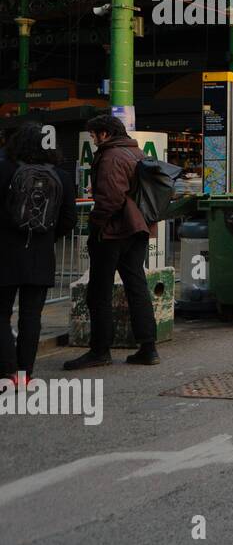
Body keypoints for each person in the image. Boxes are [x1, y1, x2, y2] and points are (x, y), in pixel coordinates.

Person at [64, 113, 160, 370]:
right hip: (138, 229)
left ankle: (99, 350)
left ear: (105, 133)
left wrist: (96, 223)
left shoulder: (110, 156)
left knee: (99, 292)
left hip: (113, 232)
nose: (94, 141)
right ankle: (148, 347)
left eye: (94, 135)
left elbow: (110, 199)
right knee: (137, 286)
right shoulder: (137, 153)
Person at [0, 123, 76, 386]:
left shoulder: (5, 169)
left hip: (5, 252)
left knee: (1, 313)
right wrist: (46, 237)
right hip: (41, 256)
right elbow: (69, 220)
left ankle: (7, 371)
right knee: (31, 315)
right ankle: (25, 373)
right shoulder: (62, 176)